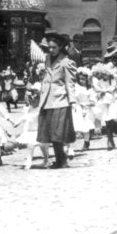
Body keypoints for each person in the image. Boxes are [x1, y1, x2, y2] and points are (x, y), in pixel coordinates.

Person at [37, 32, 77, 168]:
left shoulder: (66, 62)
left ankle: (62, 160)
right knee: (49, 131)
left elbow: (69, 83)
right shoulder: (47, 59)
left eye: (54, 47)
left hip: (60, 100)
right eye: (49, 47)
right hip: (47, 100)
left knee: (58, 132)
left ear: (60, 47)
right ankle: (60, 159)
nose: (51, 50)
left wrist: (72, 101)